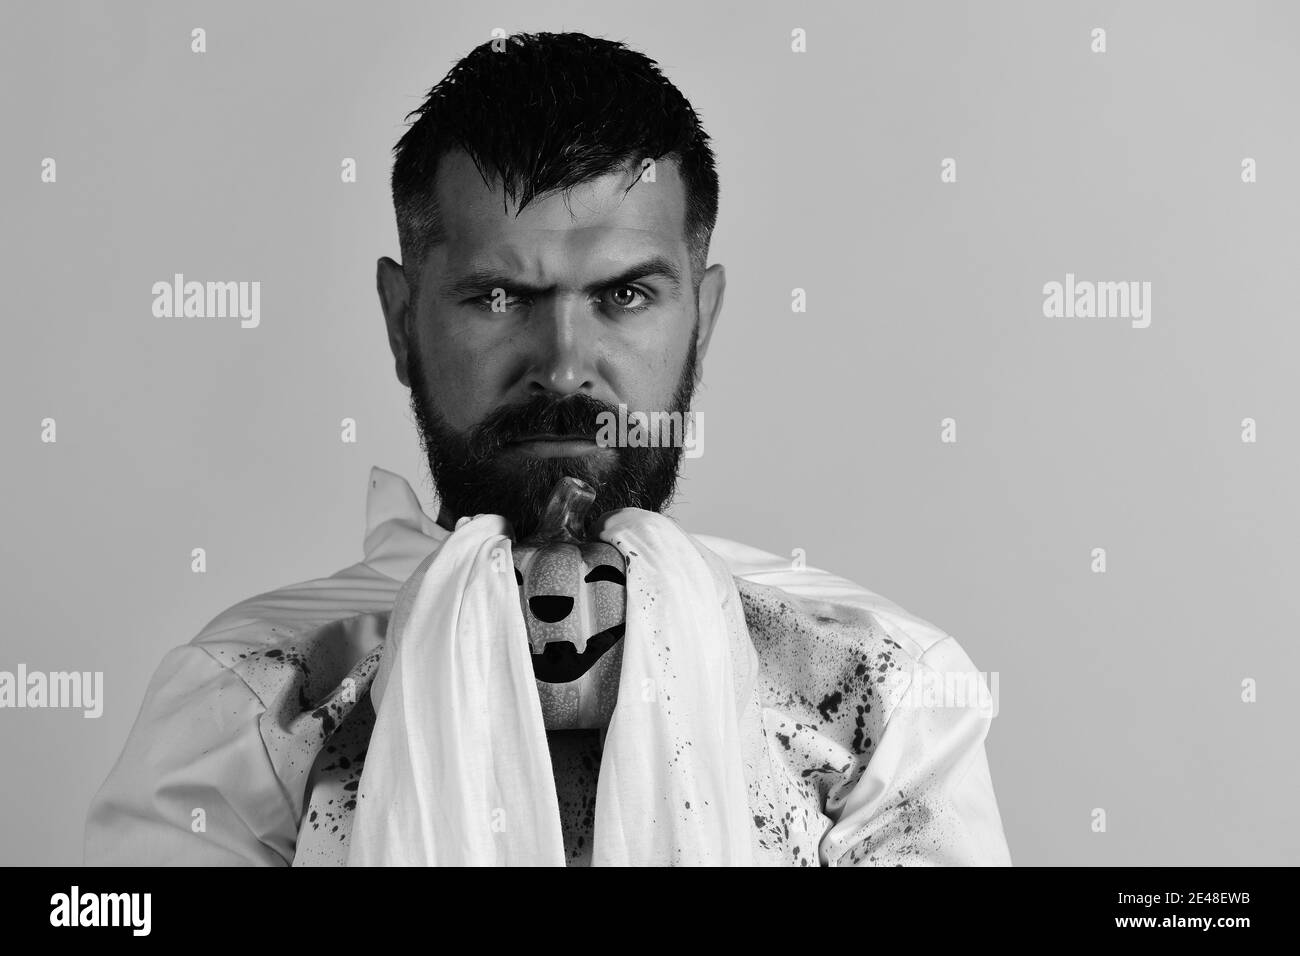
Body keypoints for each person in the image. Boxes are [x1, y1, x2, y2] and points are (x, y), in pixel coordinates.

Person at [85, 31, 1012, 867]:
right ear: (403, 323)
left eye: (624, 296)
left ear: (704, 318)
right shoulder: (255, 700)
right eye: (500, 299)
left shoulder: (872, 689)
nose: (566, 367)